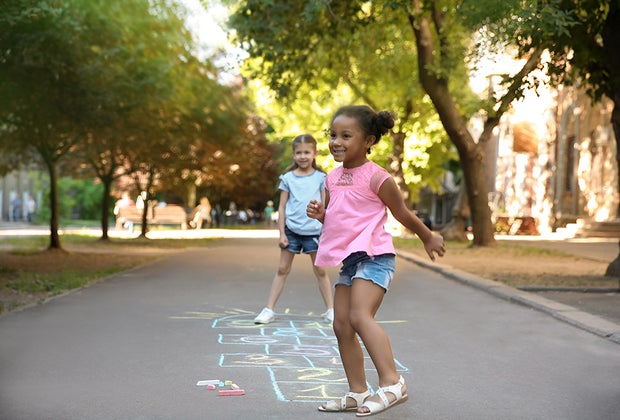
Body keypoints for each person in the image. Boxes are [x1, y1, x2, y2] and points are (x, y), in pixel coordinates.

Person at [306, 105, 446, 416]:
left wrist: (427, 236)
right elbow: (337, 220)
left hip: (376, 256)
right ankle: (358, 391)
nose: (336, 142)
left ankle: (393, 384)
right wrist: (320, 216)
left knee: (359, 316)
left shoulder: (378, 177)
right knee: (341, 324)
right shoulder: (330, 178)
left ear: (368, 140)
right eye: (332, 135)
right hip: (351, 261)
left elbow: (402, 213)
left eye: (346, 135)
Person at [254, 134, 335, 325]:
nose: (303, 156)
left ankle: (331, 310)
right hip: (292, 231)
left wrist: (327, 232)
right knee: (282, 269)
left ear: (315, 153)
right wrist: (282, 233)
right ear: (293, 155)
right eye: (299, 152)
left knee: (321, 271)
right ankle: (269, 310)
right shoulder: (288, 178)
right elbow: (281, 207)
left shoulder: (321, 178)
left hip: (314, 232)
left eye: (307, 152)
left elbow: (326, 208)